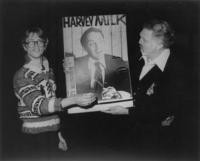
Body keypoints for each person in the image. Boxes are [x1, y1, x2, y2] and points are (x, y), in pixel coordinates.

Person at [104, 19, 185, 153]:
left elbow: (165, 110)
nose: (139, 41)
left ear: (159, 44)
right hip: (126, 138)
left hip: (155, 143)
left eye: (144, 40)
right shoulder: (137, 57)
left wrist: (126, 111)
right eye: (140, 37)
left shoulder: (177, 69)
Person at [13, 27, 96, 155]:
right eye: (31, 41)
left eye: (40, 41)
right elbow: (39, 106)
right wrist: (74, 100)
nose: (36, 45)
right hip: (33, 138)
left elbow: (53, 102)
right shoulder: (21, 75)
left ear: (45, 44)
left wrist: (58, 133)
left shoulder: (49, 70)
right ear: (25, 46)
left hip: (52, 134)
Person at [74, 27, 131, 99]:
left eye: (100, 41)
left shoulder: (118, 62)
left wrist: (118, 94)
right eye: (91, 44)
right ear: (85, 48)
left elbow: (128, 89)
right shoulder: (76, 64)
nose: (98, 47)